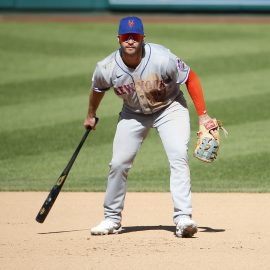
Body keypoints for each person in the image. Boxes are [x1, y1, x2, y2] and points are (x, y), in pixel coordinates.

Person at [84, 16, 213, 238]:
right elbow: (97, 88)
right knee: (118, 163)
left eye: (135, 37)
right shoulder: (106, 67)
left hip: (170, 108)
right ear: (119, 39)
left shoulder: (162, 58)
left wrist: (203, 116)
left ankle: (183, 218)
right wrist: (91, 114)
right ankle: (112, 219)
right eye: (126, 37)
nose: (131, 41)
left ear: (143, 38)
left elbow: (190, 78)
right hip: (133, 114)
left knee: (178, 155)